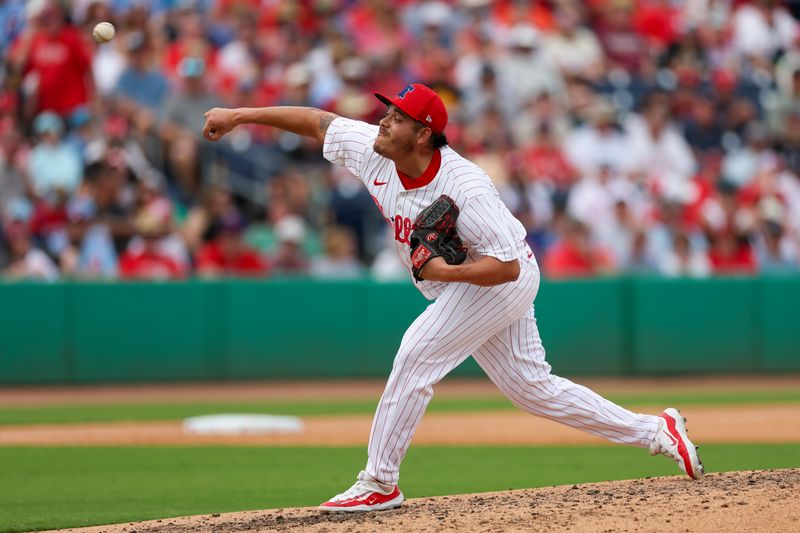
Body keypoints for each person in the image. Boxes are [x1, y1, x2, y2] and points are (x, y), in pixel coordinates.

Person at [202, 82, 704, 513]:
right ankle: (655, 430)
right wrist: (240, 115)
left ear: (423, 133)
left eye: (397, 117)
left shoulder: (465, 185)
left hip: (501, 277)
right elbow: (318, 122)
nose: (383, 120)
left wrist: (444, 268)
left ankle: (379, 483)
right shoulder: (373, 148)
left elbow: (507, 265)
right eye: (387, 110)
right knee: (533, 388)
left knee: (416, 353)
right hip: (463, 280)